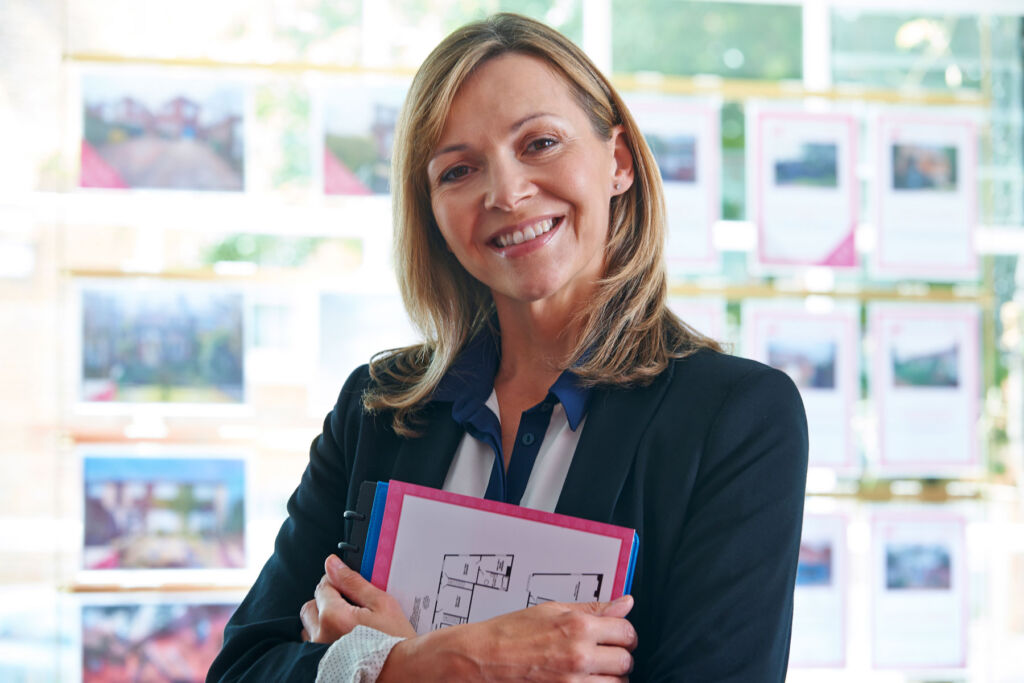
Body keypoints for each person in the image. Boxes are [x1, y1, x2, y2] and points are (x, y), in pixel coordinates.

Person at [208, 12, 808, 682]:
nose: (507, 192)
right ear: (432, 211)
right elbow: (243, 668)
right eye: (458, 170)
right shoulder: (377, 407)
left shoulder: (735, 417)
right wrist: (433, 662)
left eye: (540, 143)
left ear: (617, 161)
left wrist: (370, 666)